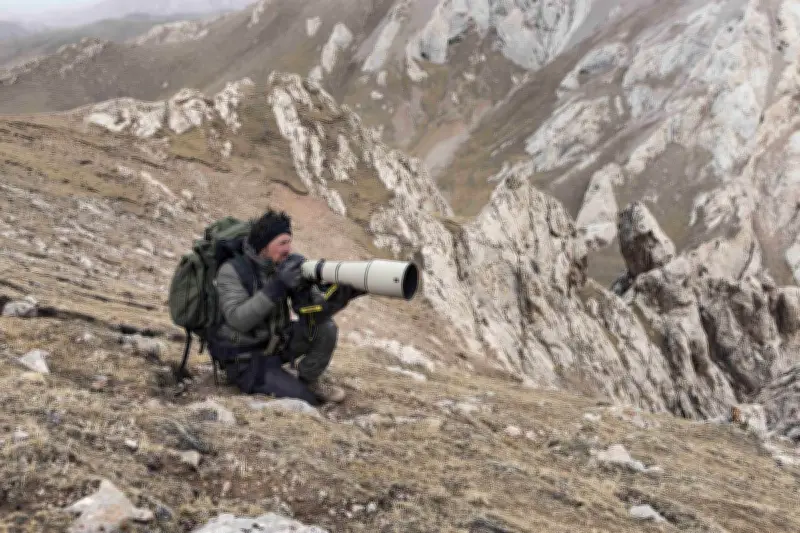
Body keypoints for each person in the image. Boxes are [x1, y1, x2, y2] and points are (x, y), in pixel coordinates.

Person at [209, 208, 363, 405]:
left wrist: (344, 294)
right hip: (245, 357)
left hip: (276, 344)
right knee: (306, 401)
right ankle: (268, 380)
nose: (288, 249)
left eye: (289, 242)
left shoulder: (282, 266)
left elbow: (313, 313)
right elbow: (238, 319)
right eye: (282, 243)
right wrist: (278, 286)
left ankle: (309, 378)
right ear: (263, 245)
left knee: (325, 328)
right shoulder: (231, 271)